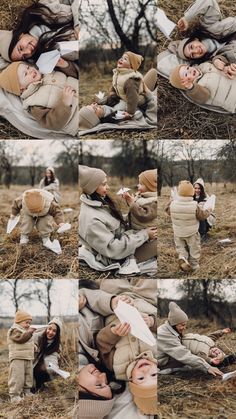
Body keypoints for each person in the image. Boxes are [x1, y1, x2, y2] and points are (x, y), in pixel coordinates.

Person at [79, 165, 158, 273]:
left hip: (127, 241)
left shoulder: (99, 203)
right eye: (103, 184)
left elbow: (115, 225)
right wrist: (144, 235)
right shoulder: (92, 220)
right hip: (118, 257)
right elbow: (114, 249)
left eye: (106, 183)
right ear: (92, 187)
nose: (108, 187)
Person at [96, 294, 158, 415]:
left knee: (112, 281)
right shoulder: (159, 355)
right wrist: (152, 321)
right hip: (145, 300)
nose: (146, 371)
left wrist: (114, 332)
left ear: (131, 381)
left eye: (141, 378)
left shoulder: (117, 367)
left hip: (117, 305)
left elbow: (102, 344)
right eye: (154, 374)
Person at [78, 283, 128, 418]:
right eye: (106, 383)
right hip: (115, 293)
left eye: (99, 385)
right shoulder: (101, 362)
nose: (103, 376)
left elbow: (82, 294)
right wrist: (112, 302)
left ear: (79, 391)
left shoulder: (57, 359)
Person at [0, 61, 78, 135]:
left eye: (28, 67)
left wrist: (65, 66)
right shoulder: (33, 103)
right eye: (26, 74)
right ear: (21, 89)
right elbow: (52, 124)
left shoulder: (47, 71)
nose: (30, 70)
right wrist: (65, 103)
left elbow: (74, 75)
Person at [0, 1, 78, 73]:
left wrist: (78, 25)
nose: (29, 52)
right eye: (24, 57)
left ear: (20, 35)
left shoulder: (40, 11)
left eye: (21, 48)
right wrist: (65, 65)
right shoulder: (45, 59)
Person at [168, 0, 236, 77]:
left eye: (191, 47)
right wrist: (216, 61)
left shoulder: (208, 27)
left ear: (195, 39)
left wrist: (187, 18)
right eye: (193, 55)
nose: (196, 51)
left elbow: (208, 2)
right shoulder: (212, 61)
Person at [79, 67, 158, 130]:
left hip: (134, 92)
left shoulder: (105, 104)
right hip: (146, 100)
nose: (96, 105)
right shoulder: (116, 117)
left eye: (92, 105)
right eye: (95, 109)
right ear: (97, 118)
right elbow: (140, 116)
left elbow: (108, 94)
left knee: (153, 72)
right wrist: (148, 94)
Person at [157, 302, 223, 377]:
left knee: (193, 351)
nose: (184, 328)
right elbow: (183, 354)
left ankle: (217, 360)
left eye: (185, 324)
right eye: (182, 325)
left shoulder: (171, 329)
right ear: (174, 324)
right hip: (162, 363)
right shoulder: (163, 334)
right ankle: (212, 363)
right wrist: (207, 367)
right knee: (190, 361)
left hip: (170, 356)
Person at [166, 180, 211, 272]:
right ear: (192, 192)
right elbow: (202, 216)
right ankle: (194, 266)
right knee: (194, 249)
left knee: (181, 248)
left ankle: (183, 257)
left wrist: (171, 200)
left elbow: (167, 210)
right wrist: (209, 210)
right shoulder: (194, 205)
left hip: (178, 233)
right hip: (192, 233)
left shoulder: (173, 204)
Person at [169, 62, 236, 112]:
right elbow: (203, 97)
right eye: (186, 74)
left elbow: (218, 65)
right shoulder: (197, 89)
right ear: (185, 84)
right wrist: (191, 87)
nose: (189, 70)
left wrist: (224, 66)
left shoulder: (204, 66)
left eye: (187, 68)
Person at [7, 310, 36, 403]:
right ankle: (14, 395)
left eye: (29, 323)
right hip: (17, 358)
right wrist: (30, 332)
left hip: (27, 357)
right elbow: (21, 339)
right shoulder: (14, 330)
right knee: (17, 376)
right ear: (18, 322)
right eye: (26, 322)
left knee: (28, 376)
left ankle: (26, 392)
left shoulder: (25, 331)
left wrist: (34, 346)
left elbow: (28, 341)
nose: (28, 325)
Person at [33, 317, 62, 391]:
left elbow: (52, 358)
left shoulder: (56, 345)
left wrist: (54, 368)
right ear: (46, 328)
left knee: (50, 369)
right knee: (30, 385)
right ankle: (34, 383)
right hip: (29, 366)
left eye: (54, 331)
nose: (50, 332)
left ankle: (39, 383)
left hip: (38, 367)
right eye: (49, 329)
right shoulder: (36, 336)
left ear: (57, 334)